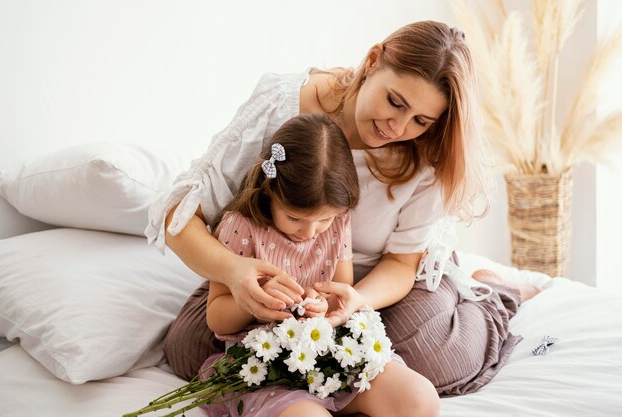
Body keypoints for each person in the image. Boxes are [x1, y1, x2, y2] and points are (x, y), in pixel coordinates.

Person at [146, 20, 541, 398]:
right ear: (372, 61)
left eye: (420, 119)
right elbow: (179, 216)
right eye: (394, 101)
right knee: (190, 349)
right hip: (279, 269)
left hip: (386, 280)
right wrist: (235, 273)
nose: (398, 127)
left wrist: (354, 301)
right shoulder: (284, 102)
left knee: (428, 361)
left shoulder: (427, 150)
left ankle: (496, 294)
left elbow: (402, 264)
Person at [201, 112, 436, 417]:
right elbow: (217, 318)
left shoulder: (337, 223)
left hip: (328, 352)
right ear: (270, 191)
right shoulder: (241, 227)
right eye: (296, 218)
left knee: (420, 398)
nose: (310, 232)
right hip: (265, 365)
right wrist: (256, 298)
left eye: (323, 220)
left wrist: (322, 306)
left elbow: (339, 290)